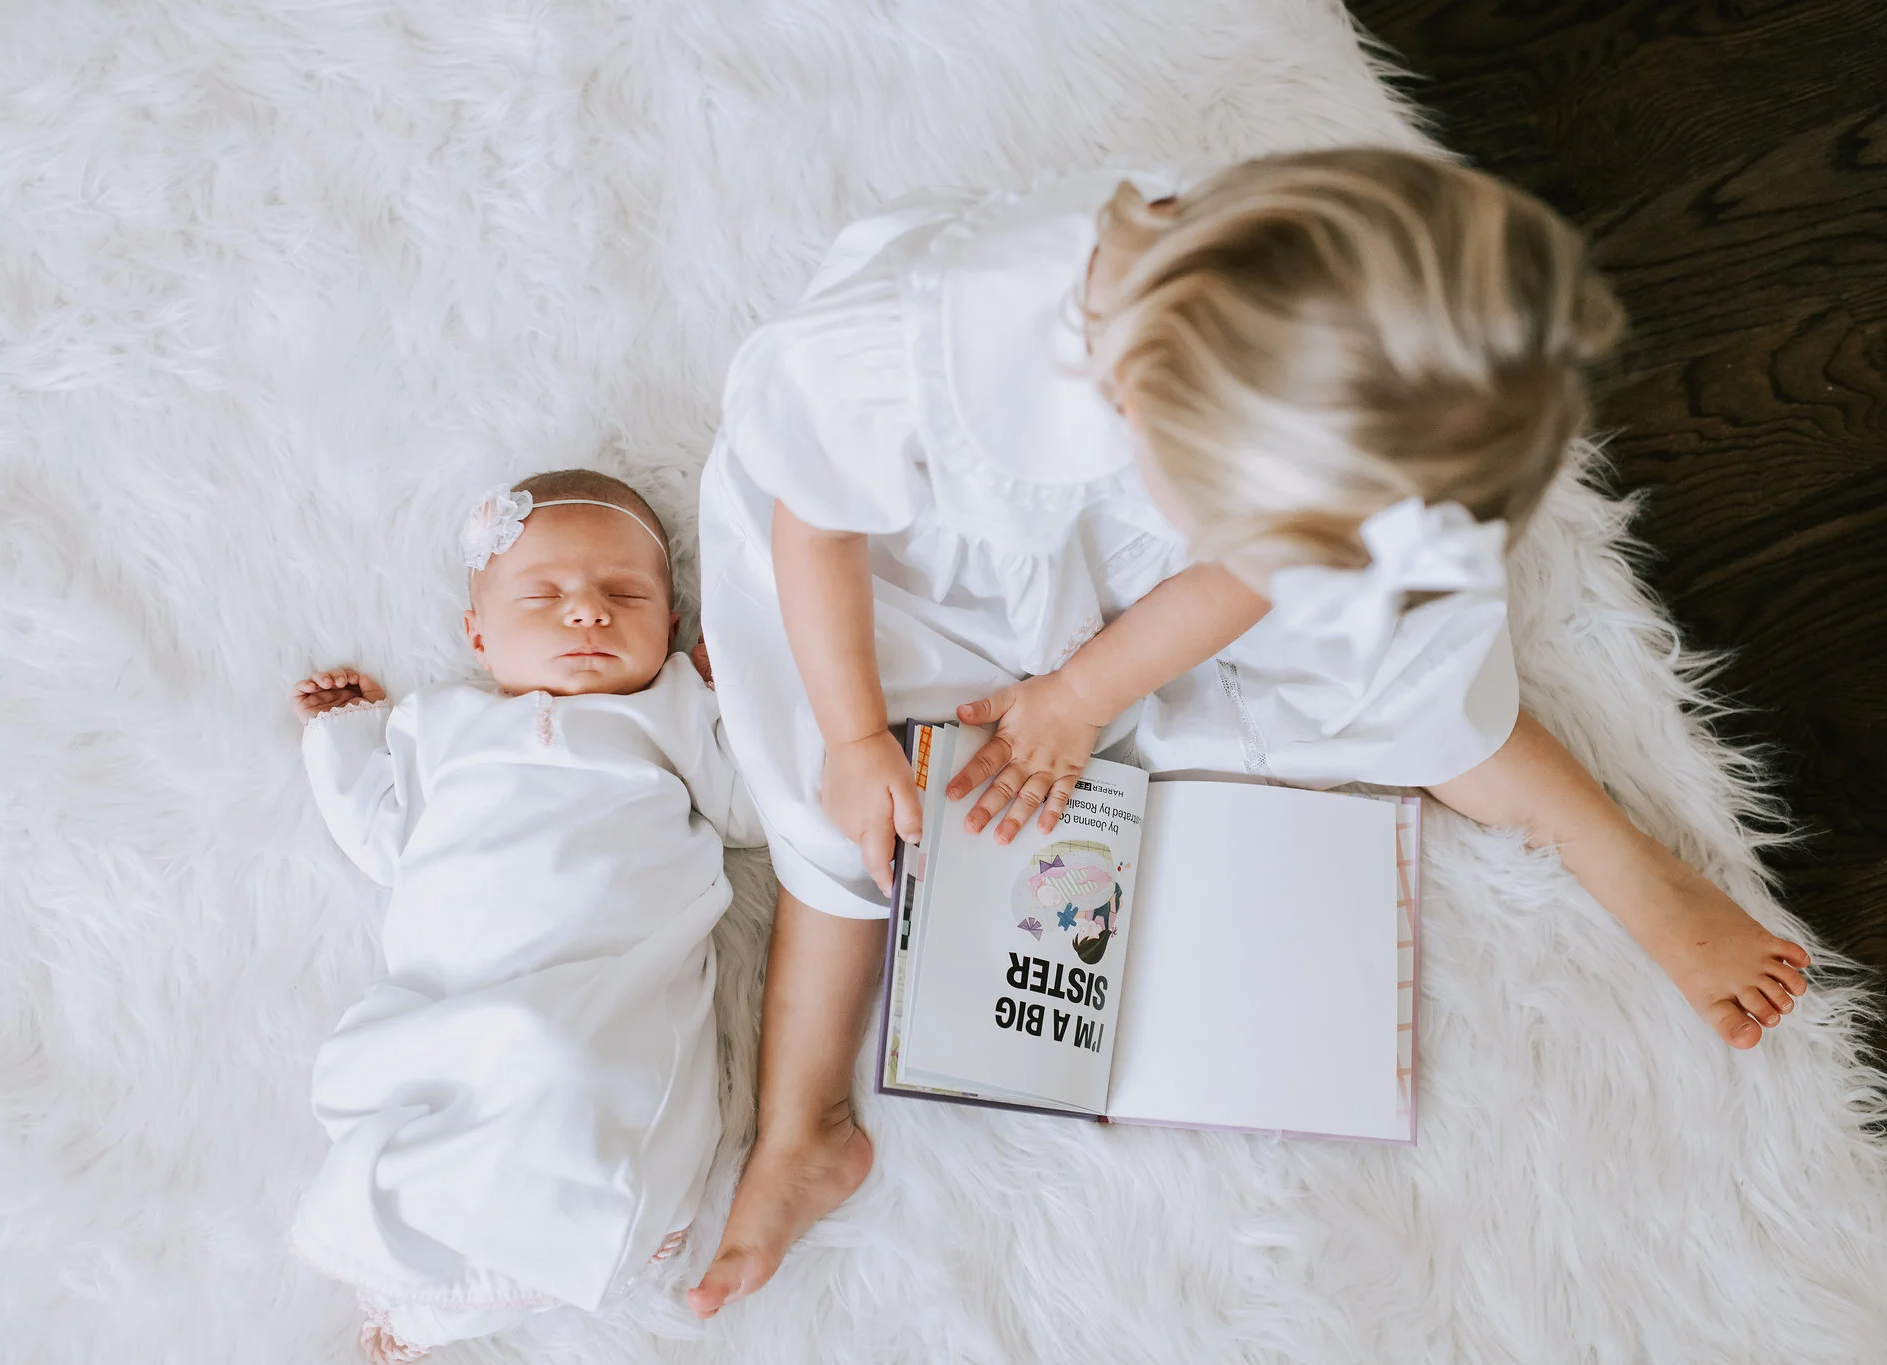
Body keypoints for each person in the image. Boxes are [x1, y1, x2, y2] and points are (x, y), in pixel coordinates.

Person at [688, 148, 1811, 1316]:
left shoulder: (1299, 345)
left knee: (1402, 656)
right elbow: (812, 520)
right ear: (1147, 411)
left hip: (1153, 542)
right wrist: (856, 734)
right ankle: (804, 1124)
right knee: (845, 827)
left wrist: (1081, 693)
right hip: (902, 565)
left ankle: (1609, 848)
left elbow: (1256, 566)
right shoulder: (909, 358)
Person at [289, 469, 759, 1361]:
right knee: (423, 1093)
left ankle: (451, 1305)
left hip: (605, 984)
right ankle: (415, 1271)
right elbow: (387, 838)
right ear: (478, 634)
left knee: (566, 1070)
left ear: (669, 628)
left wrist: (737, 691)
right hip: (457, 987)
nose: (586, 613)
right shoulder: (439, 724)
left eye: (624, 595)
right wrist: (344, 739)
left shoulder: (669, 715)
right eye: (543, 595)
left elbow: (747, 812)